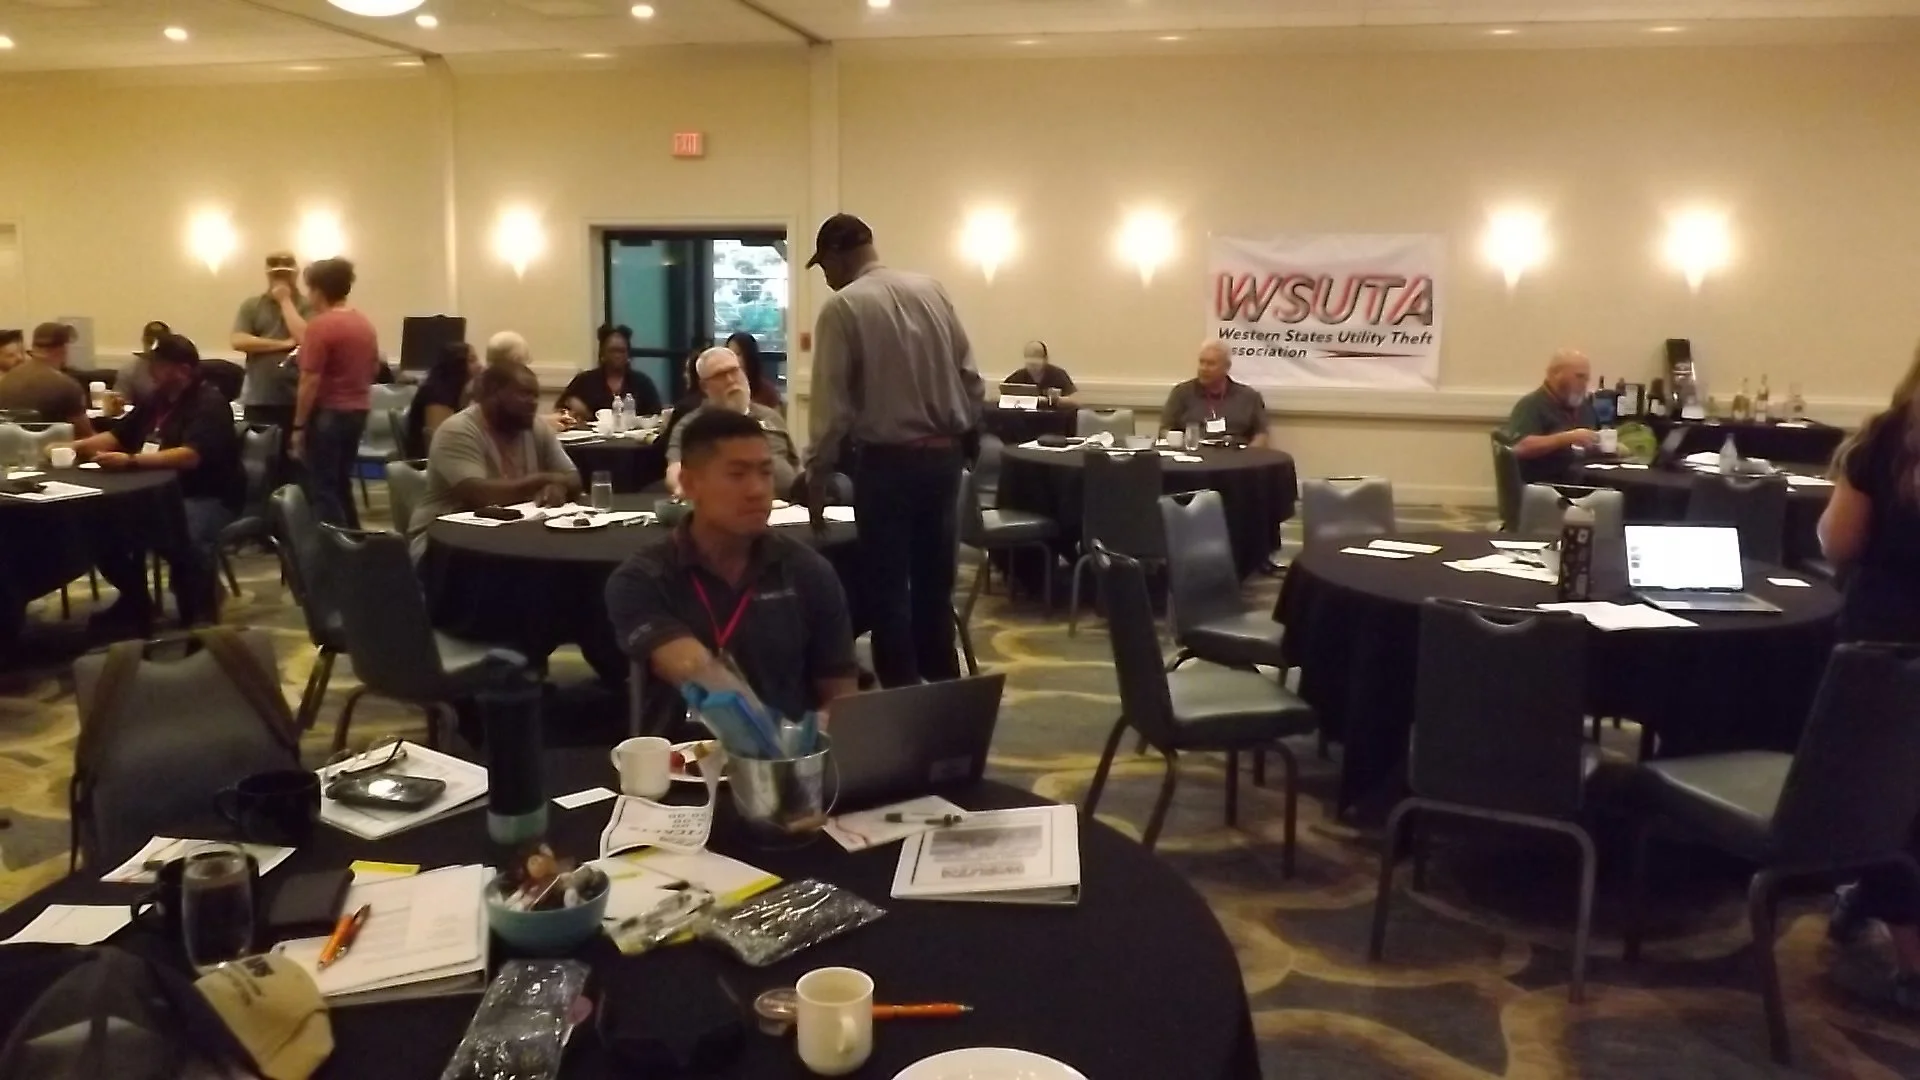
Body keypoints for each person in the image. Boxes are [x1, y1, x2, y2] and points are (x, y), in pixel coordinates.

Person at [806, 212, 982, 687]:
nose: (826, 278)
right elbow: (971, 379)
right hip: (943, 461)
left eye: (823, 266)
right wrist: (965, 443)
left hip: (888, 464)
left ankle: (901, 698)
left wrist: (817, 477)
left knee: (887, 591)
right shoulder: (933, 290)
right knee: (934, 587)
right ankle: (944, 691)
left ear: (838, 256)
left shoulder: (843, 308)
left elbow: (831, 408)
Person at [606, 408, 858, 735]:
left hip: (791, 769)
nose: (757, 490)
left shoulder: (807, 571)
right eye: (737, 475)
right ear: (689, 484)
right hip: (685, 768)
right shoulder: (644, 578)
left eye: (765, 473)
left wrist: (813, 742)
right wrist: (780, 740)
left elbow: (841, 695)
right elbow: (698, 671)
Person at [1817, 345, 1920, 1008]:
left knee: (1881, 794)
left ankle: (1913, 964)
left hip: (1886, 642)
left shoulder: (1888, 437)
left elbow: (1839, 542)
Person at [63, 333, 242, 633]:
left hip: (207, 495)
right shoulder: (156, 400)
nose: (150, 371)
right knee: (103, 529)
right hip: (157, 492)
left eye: (158, 365)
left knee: (187, 536)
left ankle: (200, 615)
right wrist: (77, 446)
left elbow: (190, 456)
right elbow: (119, 436)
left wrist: (131, 461)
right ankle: (135, 602)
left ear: (183, 370)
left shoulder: (209, 403)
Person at [407, 359, 581, 559]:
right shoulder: (459, 430)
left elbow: (573, 478)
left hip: (511, 537)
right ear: (492, 394)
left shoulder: (535, 427)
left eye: (535, 396)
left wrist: (559, 487)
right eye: (524, 394)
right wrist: (543, 481)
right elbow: (480, 495)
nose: (533, 402)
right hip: (443, 544)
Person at [292, 257, 379, 529]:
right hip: (359, 409)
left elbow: (310, 381)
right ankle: (354, 540)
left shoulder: (320, 325)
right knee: (342, 481)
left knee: (322, 487)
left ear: (317, 290)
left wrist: (298, 425)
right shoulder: (363, 323)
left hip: (330, 413)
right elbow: (373, 368)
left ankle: (334, 549)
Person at [666, 347, 799, 497]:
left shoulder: (770, 416)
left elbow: (796, 464)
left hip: (791, 508)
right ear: (704, 387)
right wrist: (681, 489)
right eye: (720, 375)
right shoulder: (692, 425)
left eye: (734, 371)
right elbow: (675, 468)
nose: (730, 380)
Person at [229, 251, 310, 431]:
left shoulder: (308, 305)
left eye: (285, 274)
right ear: (268, 274)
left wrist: (285, 300)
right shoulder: (252, 305)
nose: (281, 278)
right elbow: (238, 340)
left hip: (297, 399)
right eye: (276, 274)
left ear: (295, 273)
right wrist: (284, 344)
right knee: (259, 454)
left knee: (295, 456)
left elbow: (305, 338)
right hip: (260, 397)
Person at [1505, 349, 1599, 484]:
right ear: (1555, 374)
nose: (1584, 383)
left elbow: (1596, 437)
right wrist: (1569, 437)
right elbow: (1521, 447)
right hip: (1546, 486)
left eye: (1586, 378)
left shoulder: (1585, 407)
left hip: (1586, 480)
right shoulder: (1531, 405)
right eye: (1579, 376)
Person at [1160, 340, 1269, 448]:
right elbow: (1164, 430)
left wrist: (1249, 456)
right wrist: (1181, 442)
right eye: (1201, 362)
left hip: (1236, 457)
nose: (1204, 368)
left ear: (1227, 367)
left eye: (1211, 364)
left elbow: (1261, 434)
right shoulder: (1181, 393)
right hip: (1193, 457)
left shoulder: (1249, 397)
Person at [0, 323, 92, 436]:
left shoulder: (7, 379)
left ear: (33, 348)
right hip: (48, 450)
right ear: (63, 349)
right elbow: (84, 435)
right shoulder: (66, 385)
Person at [559, 324, 662, 423]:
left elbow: (656, 416)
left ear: (628, 355)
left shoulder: (642, 382)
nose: (617, 355)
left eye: (621, 351)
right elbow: (559, 412)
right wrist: (577, 412)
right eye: (613, 351)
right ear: (603, 353)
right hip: (593, 439)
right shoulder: (584, 381)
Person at [403, 341, 480, 459]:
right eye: (472, 360)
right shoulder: (436, 395)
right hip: (427, 461)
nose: (480, 365)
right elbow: (436, 441)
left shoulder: (460, 391)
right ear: (456, 365)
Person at [110, 320, 171, 413]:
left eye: (159, 341)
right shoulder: (129, 370)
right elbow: (120, 406)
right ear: (143, 340)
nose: (153, 346)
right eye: (150, 341)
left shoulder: (178, 370)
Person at [1003, 340, 1076, 407]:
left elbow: (1076, 400)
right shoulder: (1018, 376)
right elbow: (1000, 397)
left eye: (1037, 355)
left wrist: (1057, 400)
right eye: (1029, 356)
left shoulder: (1058, 374)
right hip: (1025, 418)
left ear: (1046, 358)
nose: (1033, 361)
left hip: (1053, 417)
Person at [724, 331, 784, 410]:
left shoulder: (768, 392)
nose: (732, 358)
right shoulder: (722, 388)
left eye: (738, 354)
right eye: (730, 353)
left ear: (749, 356)